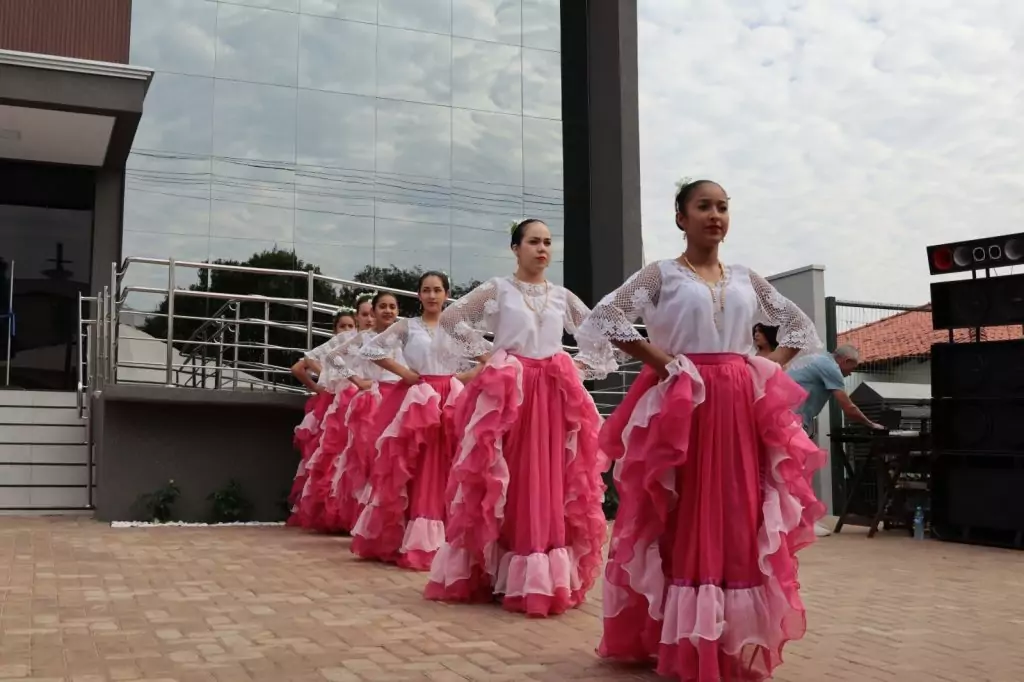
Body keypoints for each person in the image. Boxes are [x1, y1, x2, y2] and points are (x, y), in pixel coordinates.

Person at [579, 179, 826, 682]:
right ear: (681, 217)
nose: (715, 215)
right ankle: (679, 639)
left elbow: (800, 327)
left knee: (738, 508)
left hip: (738, 404)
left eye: (722, 207)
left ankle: (727, 640)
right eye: (703, 206)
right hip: (682, 401)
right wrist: (664, 362)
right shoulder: (661, 274)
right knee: (680, 508)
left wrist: (766, 368)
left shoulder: (747, 278)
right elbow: (606, 316)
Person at [423, 218, 616, 618]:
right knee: (503, 475)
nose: (542, 249)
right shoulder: (498, 289)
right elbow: (452, 320)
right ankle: (494, 568)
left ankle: (537, 572)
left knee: (547, 476)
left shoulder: (561, 296)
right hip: (509, 393)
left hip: (552, 395)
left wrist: (574, 367)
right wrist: (490, 357)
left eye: (547, 242)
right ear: (516, 248)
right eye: (533, 242)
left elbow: (599, 336)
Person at [351, 272, 483, 569]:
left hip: (450, 398)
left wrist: (460, 379)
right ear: (418, 295)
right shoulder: (407, 326)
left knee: (447, 462)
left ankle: (447, 536)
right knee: (415, 464)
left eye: (437, 290)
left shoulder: (458, 328)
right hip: (418, 398)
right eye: (426, 290)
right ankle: (408, 534)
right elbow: (370, 349)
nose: (432, 295)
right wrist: (405, 373)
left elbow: (488, 358)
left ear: (447, 294)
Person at [320, 291, 404, 532]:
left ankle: (388, 517)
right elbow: (334, 357)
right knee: (367, 458)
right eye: (382, 306)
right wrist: (357, 380)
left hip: (398, 397)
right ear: (374, 311)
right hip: (373, 400)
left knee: (394, 459)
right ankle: (364, 518)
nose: (388, 311)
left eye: (392, 307)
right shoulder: (364, 337)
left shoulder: (401, 336)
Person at [289, 296, 374, 530]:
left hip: (367, 400)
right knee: (339, 458)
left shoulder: (379, 339)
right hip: (345, 401)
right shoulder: (347, 340)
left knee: (361, 458)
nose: (369, 319)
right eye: (364, 314)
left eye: (371, 314)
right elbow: (306, 361)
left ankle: (356, 513)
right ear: (357, 316)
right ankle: (336, 511)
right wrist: (326, 380)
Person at [290, 309, 357, 487]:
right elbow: (297, 368)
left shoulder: (355, 347)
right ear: (335, 330)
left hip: (349, 401)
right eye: (343, 326)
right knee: (327, 448)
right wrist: (319, 385)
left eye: (350, 326)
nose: (347, 330)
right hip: (331, 402)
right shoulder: (331, 347)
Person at [787, 344, 885, 433]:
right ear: (847, 361)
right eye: (852, 368)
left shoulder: (817, 358)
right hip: (791, 420)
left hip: (782, 415)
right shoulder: (831, 368)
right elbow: (849, 408)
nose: (850, 374)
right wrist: (872, 424)